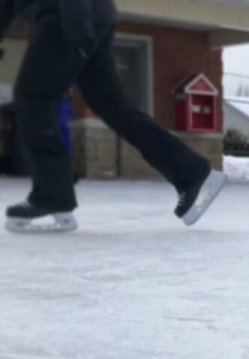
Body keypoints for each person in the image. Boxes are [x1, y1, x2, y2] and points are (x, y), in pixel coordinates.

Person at [0, 0, 226, 233]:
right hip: (90, 14)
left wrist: (78, 24)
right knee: (113, 107)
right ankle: (192, 173)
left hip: (69, 15)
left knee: (33, 98)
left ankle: (52, 195)